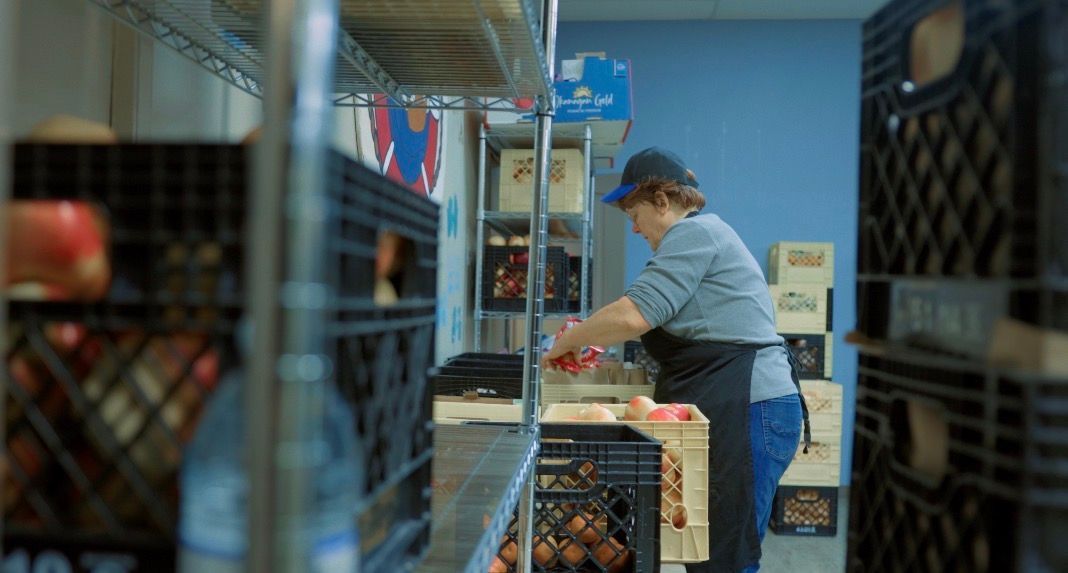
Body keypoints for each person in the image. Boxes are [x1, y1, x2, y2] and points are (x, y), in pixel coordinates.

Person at [542, 147, 810, 572]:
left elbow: (634, 314)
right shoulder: (700, 238)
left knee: (723, 552)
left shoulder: (694, 234)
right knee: (707, 546)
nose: (634, 228)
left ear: (662, 201)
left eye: (635, 214)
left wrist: (569, 339)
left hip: (749, 408)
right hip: (741, 405)